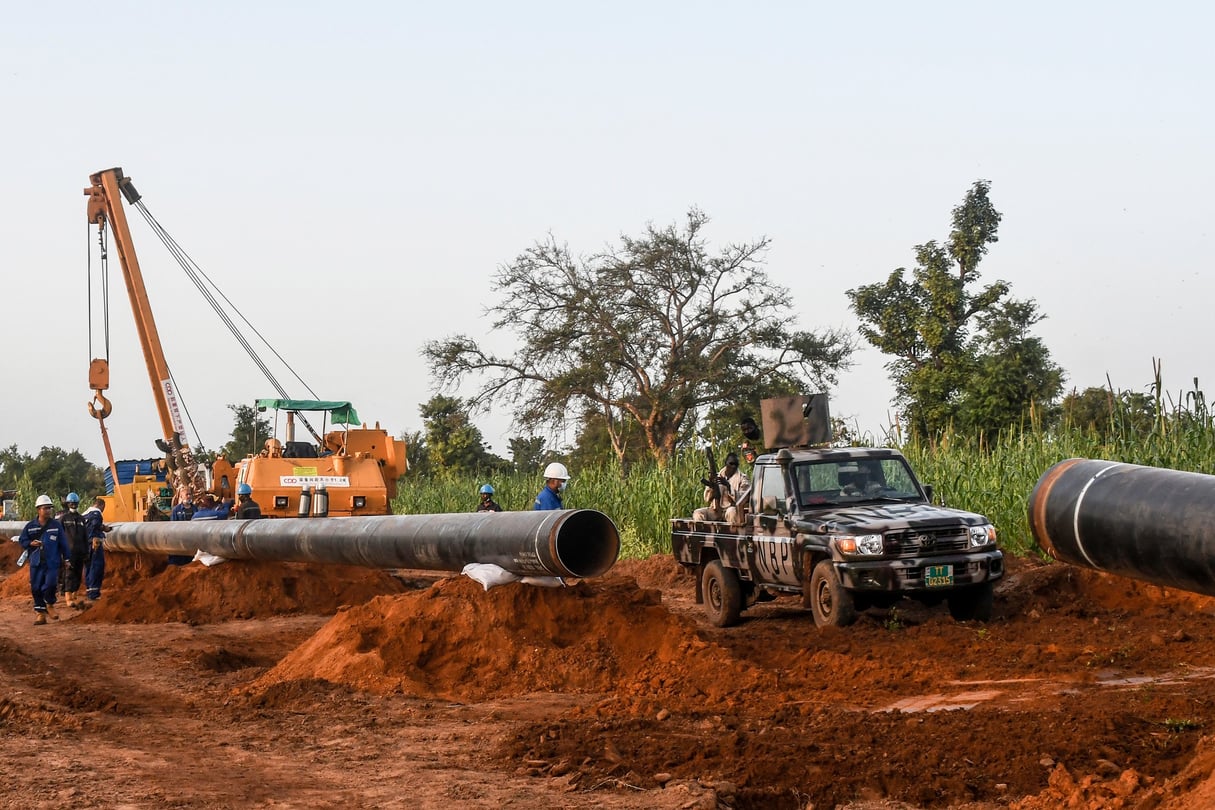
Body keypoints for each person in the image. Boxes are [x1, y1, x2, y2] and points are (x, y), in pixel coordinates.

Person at [18, 494, 69, 625]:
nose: (48, 511)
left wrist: (67, 559)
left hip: (52, 562)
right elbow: (22, 540)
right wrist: (30, 543)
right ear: (38, 509)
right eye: (45, 508)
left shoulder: (56, 526)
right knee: (36, 587)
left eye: (50, 508)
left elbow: (63, 543)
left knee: (51, 584)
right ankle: (40, 613)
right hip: (36, 562)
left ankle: (50, 604)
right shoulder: (30, 526)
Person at [693, 453, 747, 524]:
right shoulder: (717, 476)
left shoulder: (743, 479)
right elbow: (706, 498)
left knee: (732, 511)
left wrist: (728, 486)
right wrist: (712, 488)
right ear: (726, 463)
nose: (733, 466)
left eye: (736, 464)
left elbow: (744, 497)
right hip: (715, 510)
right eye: (731, 464)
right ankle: (703, 533)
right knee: (698, 513)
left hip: (730, 510)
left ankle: (733, 533)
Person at [57, 492, 89, 609]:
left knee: (78, 574)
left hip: (80, 552)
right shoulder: (63, 519)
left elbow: (85, 536)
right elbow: (59, 535)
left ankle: (75, 594)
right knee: (69, 574)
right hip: (68, 552)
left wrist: (86, 552)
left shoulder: (81, 519)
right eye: (71, 503)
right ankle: (68, 597)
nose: (73, 505)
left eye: (75, 503)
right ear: (68, 504)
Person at [81, 497, 109, 602]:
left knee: (88, 566)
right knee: (96, 566)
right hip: (94, 544)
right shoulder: (97, 513)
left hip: (85, 545)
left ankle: (89, 590)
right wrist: (95, 538)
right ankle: (94, 593)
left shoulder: (84, 514)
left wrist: (103, 528)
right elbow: (95, 525)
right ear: (101, 505)